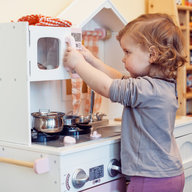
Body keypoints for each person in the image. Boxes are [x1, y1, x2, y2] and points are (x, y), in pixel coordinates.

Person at [63, 13, 186, 192]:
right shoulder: (159, 86)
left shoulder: (146, 89)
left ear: (152, 54)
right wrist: (92, 61)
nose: (123, 58)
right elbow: (120, 79)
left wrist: (78, 63)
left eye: (127, 52)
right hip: (169, 174)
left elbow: (107, 87)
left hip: (150, 178)